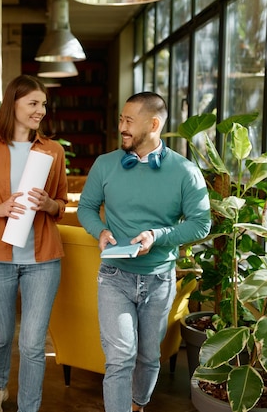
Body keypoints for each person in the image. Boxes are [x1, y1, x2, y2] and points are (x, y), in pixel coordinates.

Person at [77, 92, 211, 412]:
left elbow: (201, 224)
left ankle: (138, 405)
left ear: (153, 124)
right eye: (121, 119)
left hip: (159, 278)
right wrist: (100, 231)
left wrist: (158, 235)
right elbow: (86, 208)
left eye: (128, 121)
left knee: (149, 357)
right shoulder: (105, 164)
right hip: (114, 277)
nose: (121, 127)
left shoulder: (185, 171)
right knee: (120, 357)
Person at [0, 74, 68, 412]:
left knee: (34, 343)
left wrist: (48, 204)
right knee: (0, 336)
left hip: (43, 260)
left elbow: (61, 205)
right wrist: (0, 208)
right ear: (14, 105)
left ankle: (29, 406)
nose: (41, 110)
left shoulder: (53, 151)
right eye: (33, 103)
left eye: (43, 104)